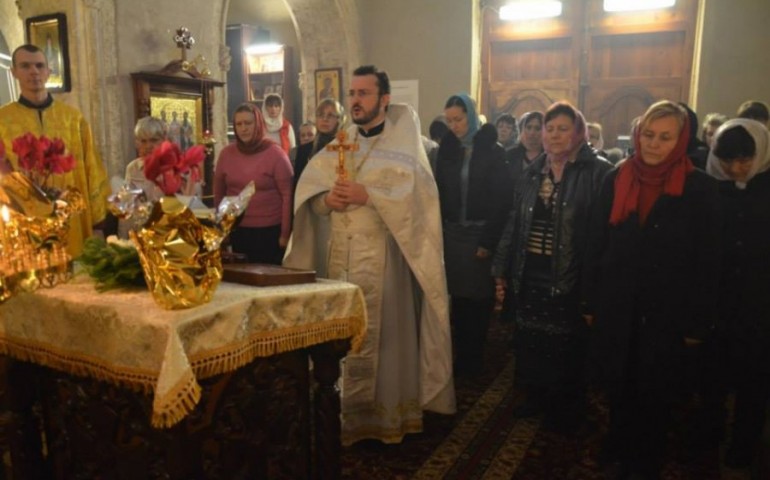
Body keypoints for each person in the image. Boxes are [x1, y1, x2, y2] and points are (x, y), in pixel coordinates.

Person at [284, 65, 455, 446]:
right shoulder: (342, 142)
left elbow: (419, 203)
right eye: (352, 94)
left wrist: (371, 197)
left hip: (385, 259)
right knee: (343, 337)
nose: (355, 101)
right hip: (340, 257)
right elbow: (309, 193)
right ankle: (346, 417)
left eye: (364, 93)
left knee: (388, 340)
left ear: (384, 99)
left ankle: (386, 420)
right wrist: (326, 200)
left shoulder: (404, 145)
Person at [584, 100, 721, 478]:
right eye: (648, 134)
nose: (654, 144)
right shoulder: (617, 177)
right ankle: (618, 444)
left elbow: (708, 262)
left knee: (655, 391)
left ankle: (643, 461)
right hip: (618, 304)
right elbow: (597, 242)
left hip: (667, 311)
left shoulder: (699, 188)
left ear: (680, 141)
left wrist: (697, 324)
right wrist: (591, 300)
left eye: (665, 137)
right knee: (619, 383)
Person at [492, 101, 611, 431]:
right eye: (550, 128)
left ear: (578, 132)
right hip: (531, 268)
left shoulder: (597, 171)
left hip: (571, 270)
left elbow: (601, 232)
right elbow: (515, 220)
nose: (555, 135)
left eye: (563, 129)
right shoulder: (533, 170)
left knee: (568, 342)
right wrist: (501, 265)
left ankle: (567, 405)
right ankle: (536, 396)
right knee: (532, 337)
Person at [0, 44, 109, 257]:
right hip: (23, 219)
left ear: (49, 72)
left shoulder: (72, 118)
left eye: (40, 66)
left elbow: (91, 165)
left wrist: (99, 218)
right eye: (25, 66)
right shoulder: (3, 120)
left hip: (72, 215)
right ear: (14, 72)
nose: (34, 72)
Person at [705, 118, 770, 470]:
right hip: (718, 299)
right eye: (727, 160)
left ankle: (744, 442)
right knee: (712, 373)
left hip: (760, 301)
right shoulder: (710, 188)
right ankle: (709, 432)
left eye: (744, 159)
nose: (735, 168)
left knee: (754, 379)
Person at [434, 94, 511, 376]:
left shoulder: (492, 149)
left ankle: (475, 357)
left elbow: (502, 201)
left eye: (459, 119)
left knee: (479, 300)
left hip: (480, 233)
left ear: (471, 115)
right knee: (458, 298)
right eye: (449, 120)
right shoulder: (447, 149)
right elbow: (439, 191)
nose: (454, 126)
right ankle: (460, 357)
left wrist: (487, 241)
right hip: (453, 234)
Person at [214, 103, 293, 265]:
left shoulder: (275, 154)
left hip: (270, 231)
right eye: (239, 124)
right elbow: (218, 194)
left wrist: (285, 234)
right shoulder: (226, 154)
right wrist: (222, 230)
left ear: (258, 124)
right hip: (238, 230)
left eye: (248, 123)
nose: (243, 128)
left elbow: (288, 195)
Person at [293, 98, 346, 188]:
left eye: (330, 115)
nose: (325, 119)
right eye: (321, 115)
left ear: (339, 120)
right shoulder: (304, 151)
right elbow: (298, 185)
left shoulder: (346, 148)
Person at [504, 111, 544, 186]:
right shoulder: (510, 155)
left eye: (537, 128)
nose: (532, 132)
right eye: (528, 127)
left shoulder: (550, 157)